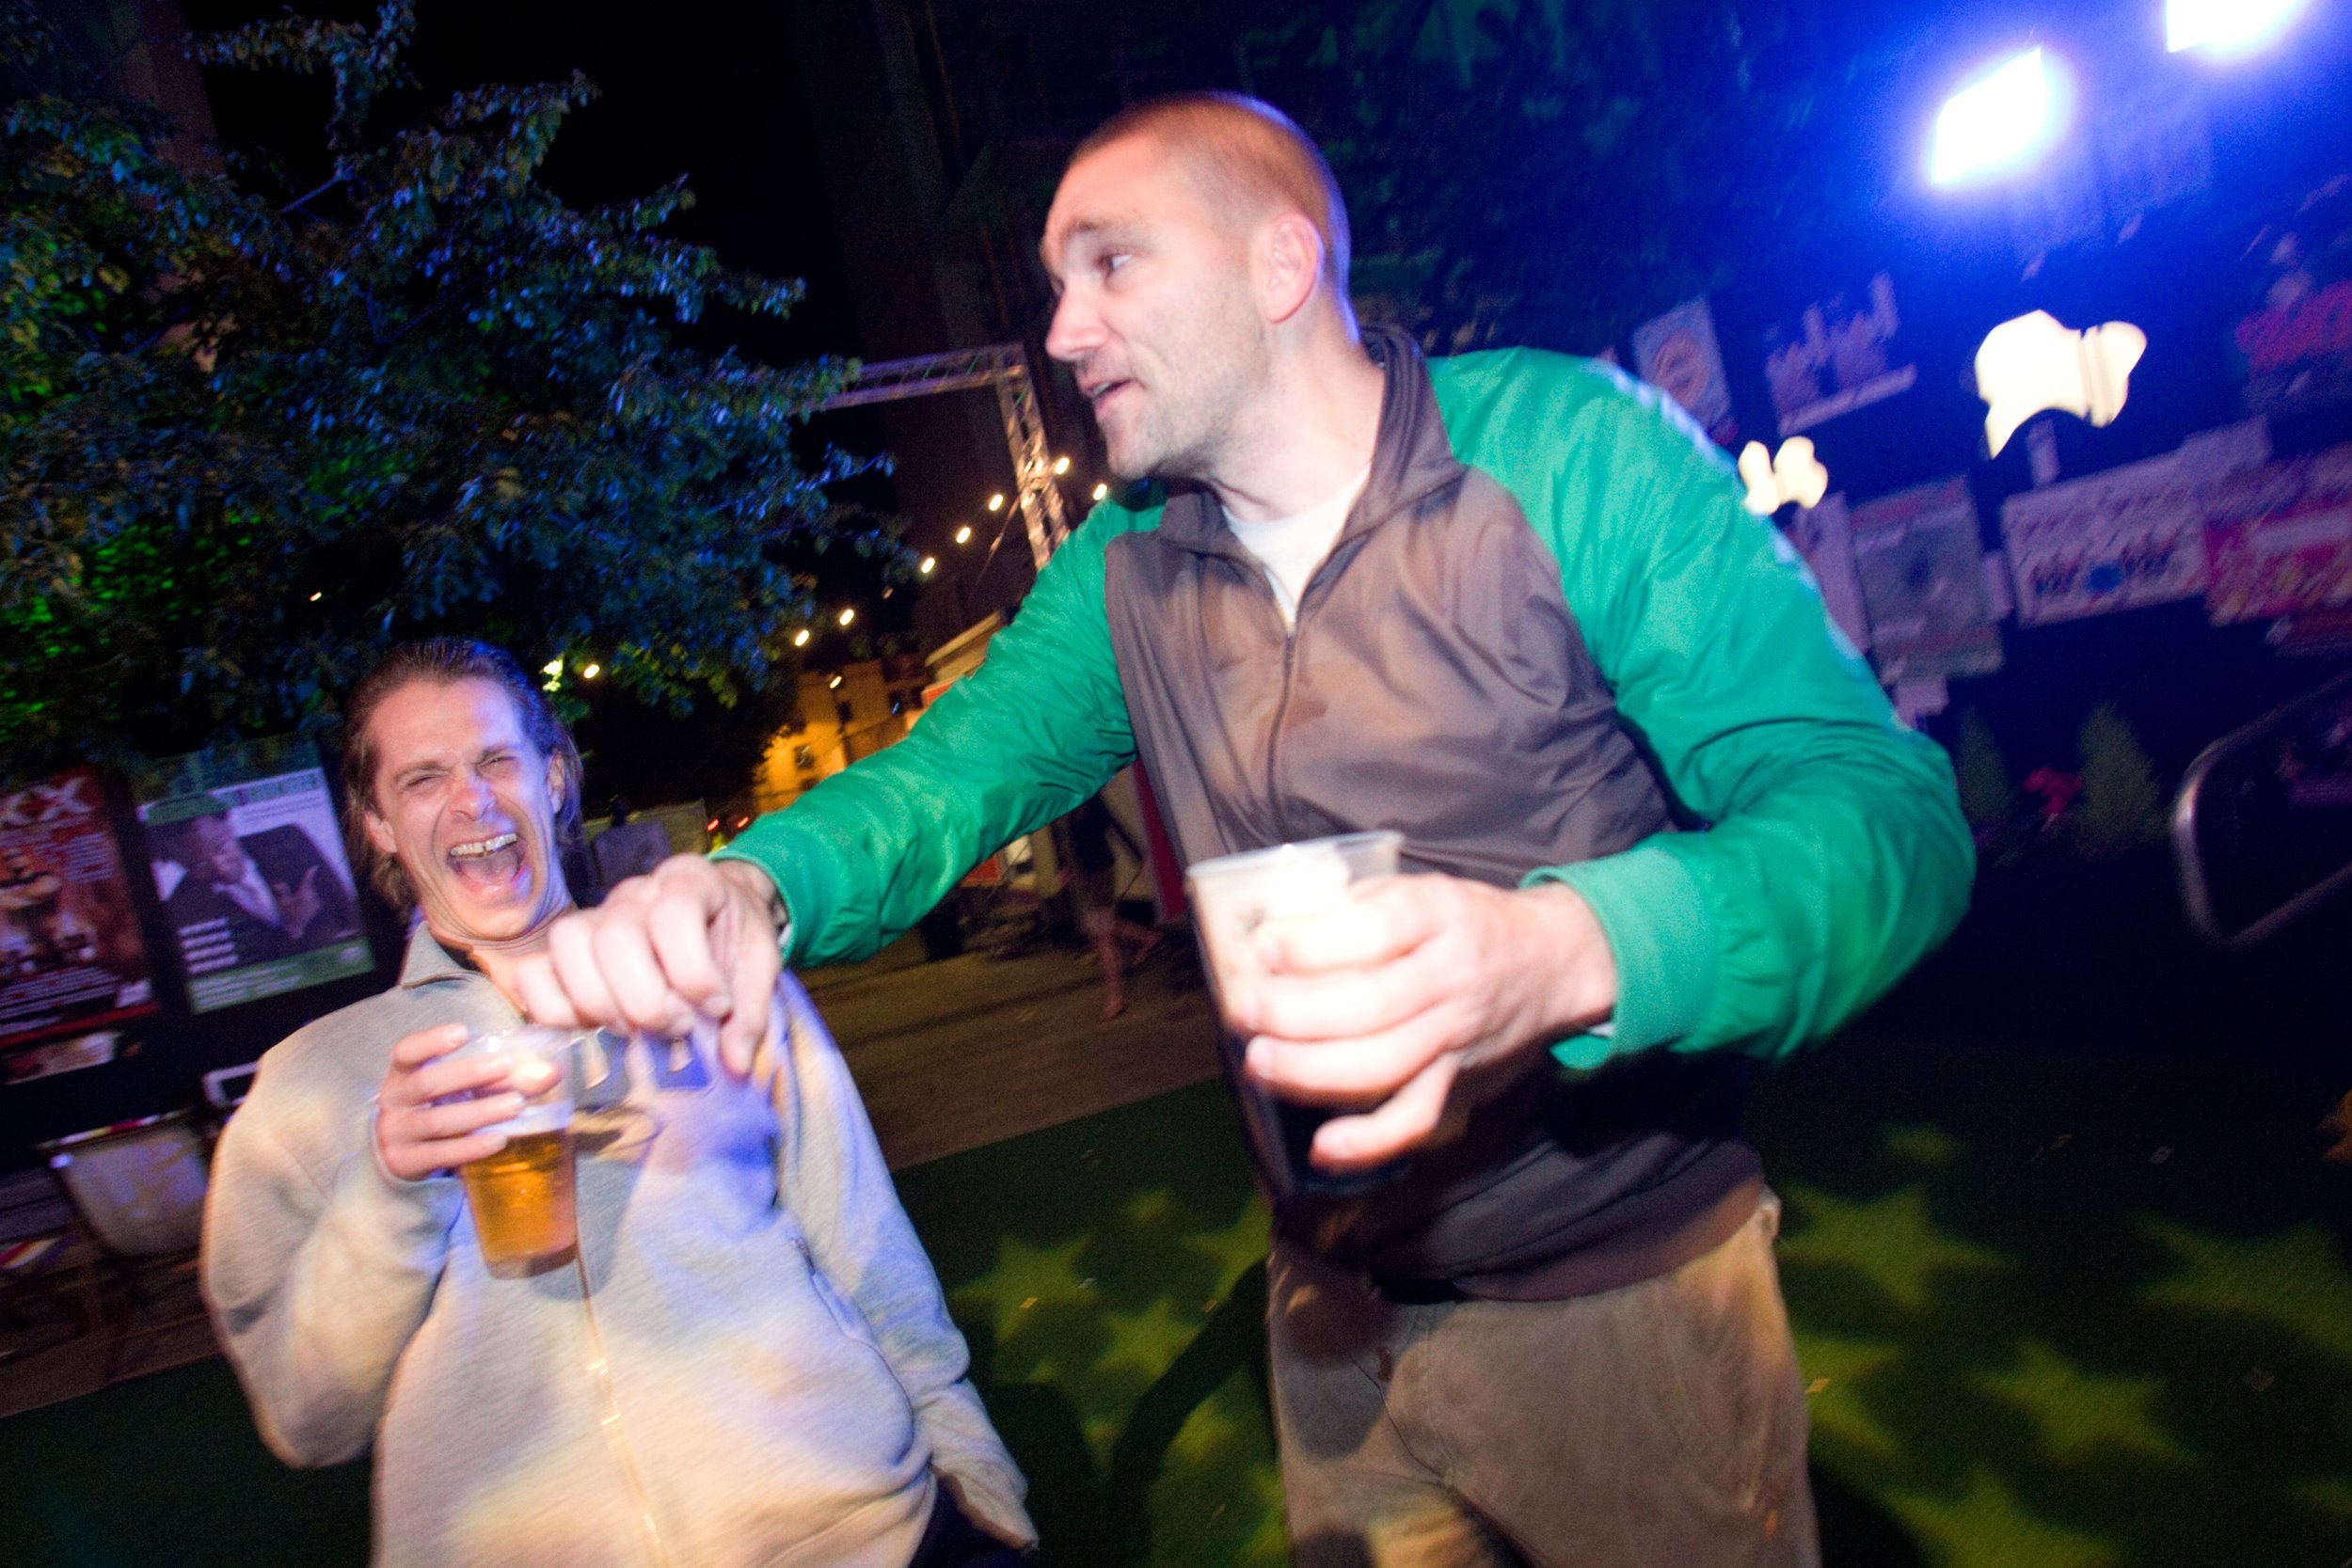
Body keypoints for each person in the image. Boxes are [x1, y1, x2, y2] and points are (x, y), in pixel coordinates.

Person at [516, 95, 1973, 1567]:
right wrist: (753, 884)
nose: (1063, 331)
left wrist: (1570, 946)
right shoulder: (1128, 562)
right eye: (1055, 285)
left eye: (1111, 265)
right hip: (1327, 1313)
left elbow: (1886, 814)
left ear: (1280, 265)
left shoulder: (1565, 450)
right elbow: (949, 774)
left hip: (1621, 1307)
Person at [201, 640, 1034, 1568]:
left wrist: (978, 1478)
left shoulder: (708, 968)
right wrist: (389, 1188)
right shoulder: (310, 1082)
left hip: (864, 1538)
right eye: (423, 778)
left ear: (554, 777)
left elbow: (866, 1246)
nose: (472, 800)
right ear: (379, 823)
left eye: (496, 759)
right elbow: (307, 1420)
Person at [158, 809, 360, 967]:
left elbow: (348, 914)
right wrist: (292, 928)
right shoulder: (182, 908)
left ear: (228, 826)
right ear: (180, 865)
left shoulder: (288, 840)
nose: (221, 868)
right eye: (200, 866)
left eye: (221, 847)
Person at [1061, 792, 1161, 1018]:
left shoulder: (1094, 800)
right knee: (1097, 927)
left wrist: (1140, 857)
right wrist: (1064, 866)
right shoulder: (1069, 804)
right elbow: (1069, 840)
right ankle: (1146, 937)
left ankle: (1115, 998)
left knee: (1102, 935)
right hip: (1083, 874)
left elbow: (1117, 827)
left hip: (1101, 872)